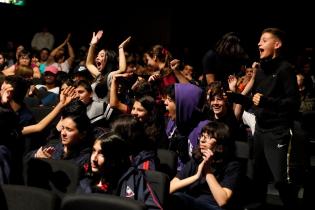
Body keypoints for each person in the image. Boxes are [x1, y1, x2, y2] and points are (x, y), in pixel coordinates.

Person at [250, 28, 301, 210]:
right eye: (259, 41)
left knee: (281, 181)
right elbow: (256, 100)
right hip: (260, 130)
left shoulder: (285, 69)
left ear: (277, 44)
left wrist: (267, 102)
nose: (259, 44)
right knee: (258, 177)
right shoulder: (262, 69)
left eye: (264, 40)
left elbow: (294, 103)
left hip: (278, 132)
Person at [169, 121, 241, 210]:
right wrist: (195, 177)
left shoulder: (232, 165)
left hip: (212, 206)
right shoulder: (197, 159)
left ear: (220, 143)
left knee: (179, 199)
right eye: (202, 136)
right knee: (175, 198)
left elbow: (222, 201)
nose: (202, 140)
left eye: (208, 137)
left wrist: (207, 170)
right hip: (190, 201)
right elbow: (170, 188)